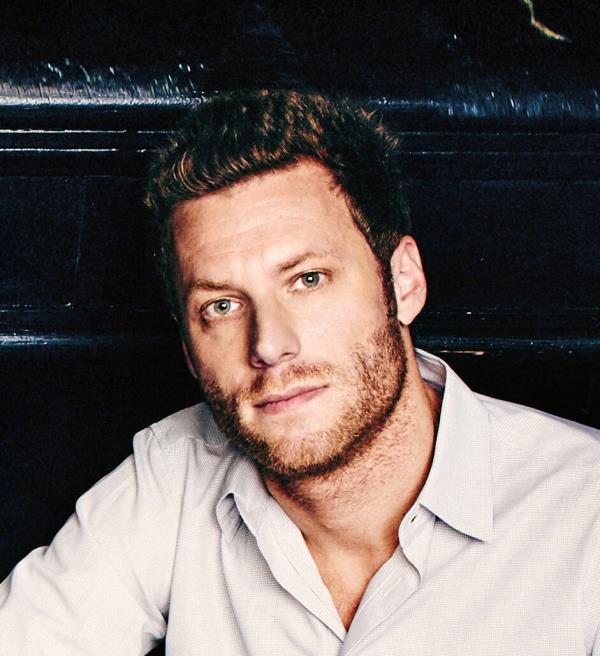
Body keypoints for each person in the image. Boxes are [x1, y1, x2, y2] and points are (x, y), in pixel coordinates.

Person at [0, 89, 598, 655]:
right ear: (189, 350)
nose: (269, 345)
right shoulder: (173, 477)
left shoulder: (583, 508)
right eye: (221, 306)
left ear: (403, 283)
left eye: (308, 279)